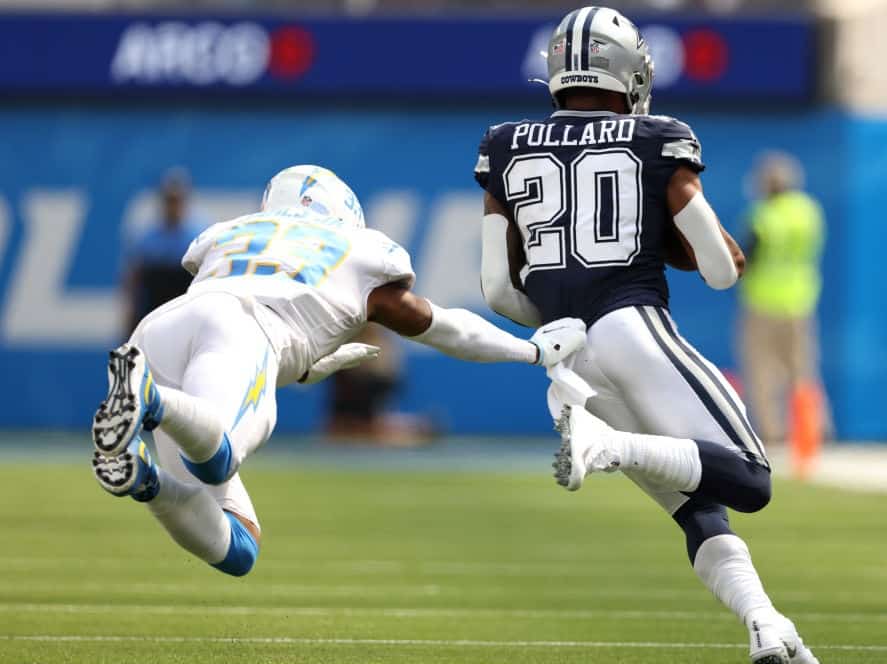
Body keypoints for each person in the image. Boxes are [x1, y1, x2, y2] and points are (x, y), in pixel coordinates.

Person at [474, 7, 822, 664]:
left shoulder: (505, 143)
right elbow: (721, 270)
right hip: (632, 325)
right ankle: (605, 447)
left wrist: (558, 324)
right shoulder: (658, 137)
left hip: (568, 354)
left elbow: (498, 292)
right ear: (627, 69)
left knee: (699, 506)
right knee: (749, 476)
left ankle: (765, 623)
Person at [91, 164, 585, 579]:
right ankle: (150, 400)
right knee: (215, 460)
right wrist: (530, 351)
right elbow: (448, 328)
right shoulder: (358, 249)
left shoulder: (230, 231)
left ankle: (143, 478)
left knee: (239, 547)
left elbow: (251, 323)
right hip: (239, 330)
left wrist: (307, 368)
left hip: (162, 330)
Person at [738, 152, 827, 448]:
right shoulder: (809, 211)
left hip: (764, 302)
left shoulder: (763, 216)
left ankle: (773, 434)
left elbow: (747, 257)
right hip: (801, 301)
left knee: (763, 372)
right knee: (803, 370)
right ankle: (812, 430)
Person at [122, 168, 206, 336]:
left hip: (184, 315)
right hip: (152, 314)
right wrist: (129, 317)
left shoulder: (199, 236)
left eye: (177, 200)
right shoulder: (148, 238)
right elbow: (134, 279)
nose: (173, 206)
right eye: (169, 200)